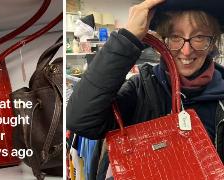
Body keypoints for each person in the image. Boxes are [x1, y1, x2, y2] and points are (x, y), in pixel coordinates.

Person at [67, 0, 224, 176]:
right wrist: (126, 39)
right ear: (162, 41)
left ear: (212, 42)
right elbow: (80, 120)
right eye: (175, 37)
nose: (186, 51)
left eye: (199, 37)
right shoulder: (140, 89)